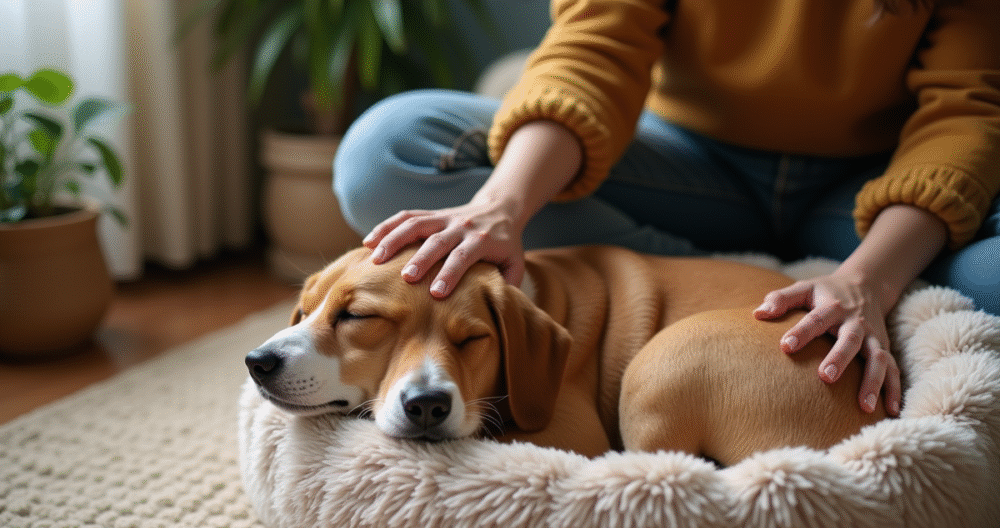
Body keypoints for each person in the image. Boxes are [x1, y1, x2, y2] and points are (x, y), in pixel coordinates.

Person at [333, 0, 1000, 419]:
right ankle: (707, 281)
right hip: (685, 167)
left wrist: (870, 280)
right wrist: (500, 207)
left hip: (865, 195)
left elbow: (966, 112)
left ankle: (820, 281)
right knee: (385, 154)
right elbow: (593, 49)